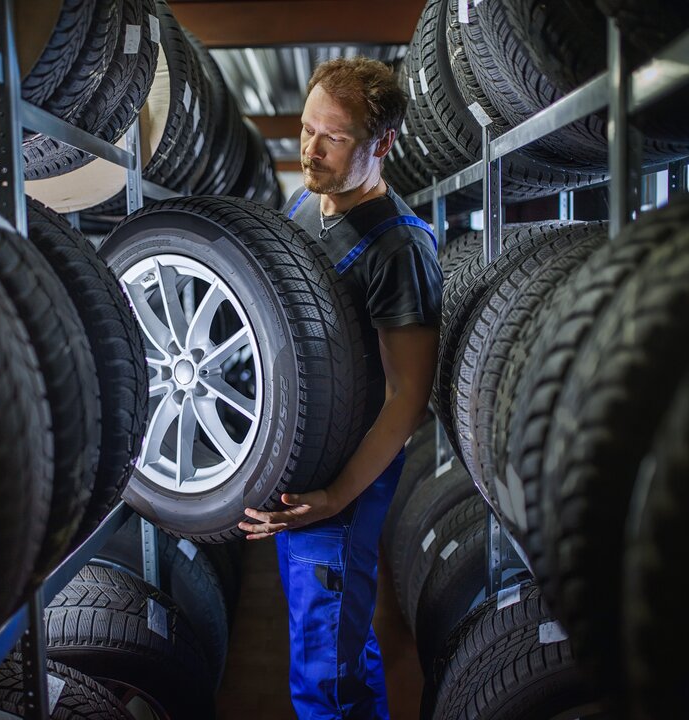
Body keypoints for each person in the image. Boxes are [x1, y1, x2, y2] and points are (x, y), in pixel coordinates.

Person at [237, 57, 443, 719]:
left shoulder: (400, 251)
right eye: (305, 129)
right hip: (300, 462)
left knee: (328, 671)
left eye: (333, 137)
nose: (309, 149)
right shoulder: (303, 202)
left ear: (381, 144)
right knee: (329, 642)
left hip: (344, 484)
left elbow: (407, 397)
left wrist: (334, 497)